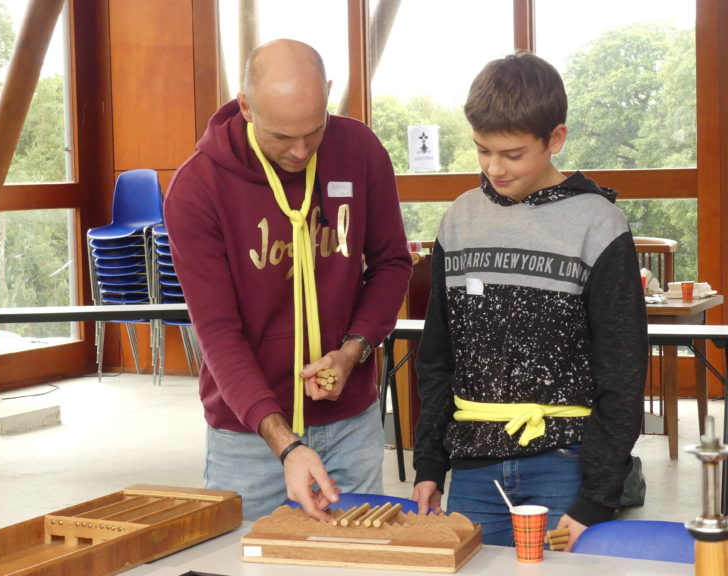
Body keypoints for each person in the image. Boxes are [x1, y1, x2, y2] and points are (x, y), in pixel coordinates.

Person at [164, 39, 412, 522]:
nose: (300, 151)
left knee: (356, 556)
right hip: (249, 435)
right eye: (281, 136)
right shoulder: (197, 188)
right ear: (246, 107)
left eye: (314, 131)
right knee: (246, 555)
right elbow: (218, 332)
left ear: (328, 94)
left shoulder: (360, 150)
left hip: (350, 422)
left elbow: (391, 263)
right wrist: (285, 443)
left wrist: (353, 351)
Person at [411, 50, 648, 551]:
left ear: (555, 139)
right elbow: (437, 356)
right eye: (482, 150)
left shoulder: (599, 224)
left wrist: (596, 497)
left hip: (565, 465)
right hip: (472, 470)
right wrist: (430, 462)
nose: (494, 168)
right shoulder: (458, 219)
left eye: (513, 154)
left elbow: (622, 372)